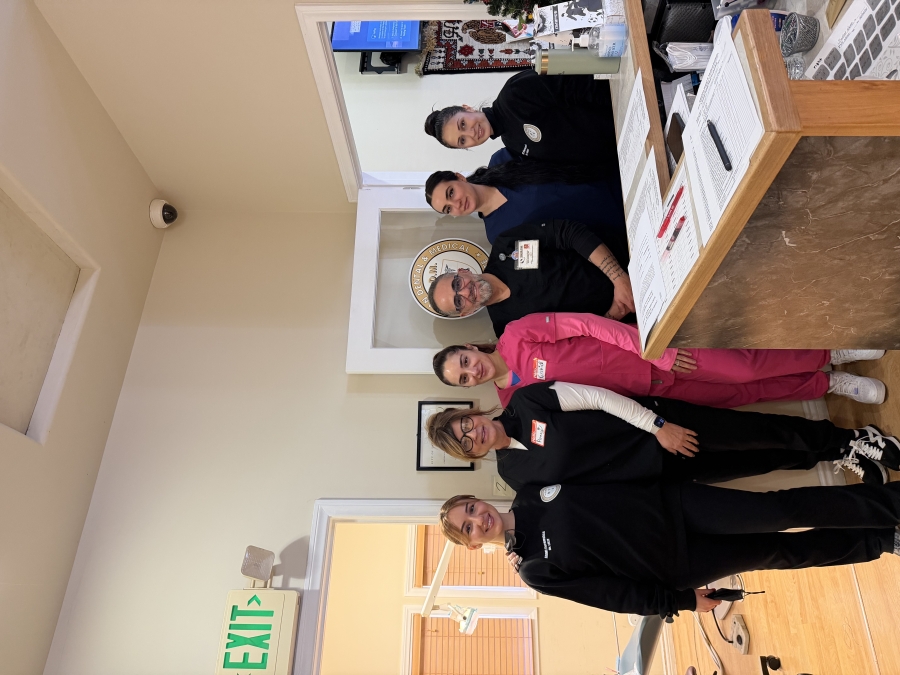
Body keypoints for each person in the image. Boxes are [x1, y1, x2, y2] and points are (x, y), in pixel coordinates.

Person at [439, 484, 900, 617]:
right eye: (469, 528)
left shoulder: (531, 491)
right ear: (474, 544)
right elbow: (612, 596)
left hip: (677, 505)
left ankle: (891, 503)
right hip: (678, 563)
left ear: (478, 500)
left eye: (471, 508)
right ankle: (880, 539)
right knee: (780, 553)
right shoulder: (533, 571)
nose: (478, 519)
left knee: (780, 510)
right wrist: (680, 601)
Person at [425, 381, 900, 487]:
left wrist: (659, 427)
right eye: (464, 442)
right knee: (757, 461)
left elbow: (599, 398)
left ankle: (852, 438)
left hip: (661, 426)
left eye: (464, 423)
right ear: (471, 454)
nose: (473, 433)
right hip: (662, 472)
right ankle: (836, 456)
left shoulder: (527, 401)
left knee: (756, 431)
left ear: (470, 413)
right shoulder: (514, 473)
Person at [431, 312, 888, 407]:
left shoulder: (516, 335)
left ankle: (832, 353)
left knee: (745, 366)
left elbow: (589, 325)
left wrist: (659, 352)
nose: (472, 371)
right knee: (742, 393)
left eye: (464, 362)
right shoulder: (513, 404)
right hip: (647, 396)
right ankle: (828, 383)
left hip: (656, 357)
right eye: (463, 379)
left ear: (471, 349)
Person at [426, 219, 635, 332]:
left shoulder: (506, 245)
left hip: (630, 258)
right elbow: (571, 342)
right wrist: (614, 315)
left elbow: (568, 233)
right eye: (458, 301)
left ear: (463, 272)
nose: (464, 291)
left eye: (456, 284)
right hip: (630, 315)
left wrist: (618, 278)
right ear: (465, 313)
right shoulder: (507, 328)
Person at [424, 164, 628, 256]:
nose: (456, 204)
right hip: (613, 230)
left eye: (451, 193)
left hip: (612, 178)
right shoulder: (499, 237)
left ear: (459, 177)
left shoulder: (501, 160)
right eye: (448, 209)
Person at [423, 71, 617, 166]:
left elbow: (583, 85)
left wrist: (621, 110)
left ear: (467, 108)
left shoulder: (514, 93)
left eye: (463, 124)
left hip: (621, 112)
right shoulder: (513, 146)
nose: (471, 133)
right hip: (620, 150)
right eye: (462, 140)